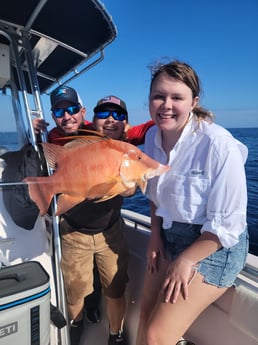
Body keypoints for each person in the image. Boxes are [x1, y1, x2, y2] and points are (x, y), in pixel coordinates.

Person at [136, 60, 249, 345]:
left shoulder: (218, 144)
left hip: (213, 245)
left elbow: (228, 224)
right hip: (168, 234)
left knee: (156, 336)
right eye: (159, 96)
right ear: (149, 99)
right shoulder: (152, 137)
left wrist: (187, 259)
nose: (166, 105)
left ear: (193, 102)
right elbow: (154, 193)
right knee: (143, 313)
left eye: (177, 97)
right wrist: (154, 238)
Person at [33, 86, 154, 345]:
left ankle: (115, 334)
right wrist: (34, 132)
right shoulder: (56, 135)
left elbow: (148, 129)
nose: (68, 116)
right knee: (75, 289)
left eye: (73, 109)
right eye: (60, 111)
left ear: (84, 111)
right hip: (73, 230)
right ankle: (76, 322)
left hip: (112, 230)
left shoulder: (118, 138)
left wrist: (186, 112)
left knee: (115, 286)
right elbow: (54, 148)